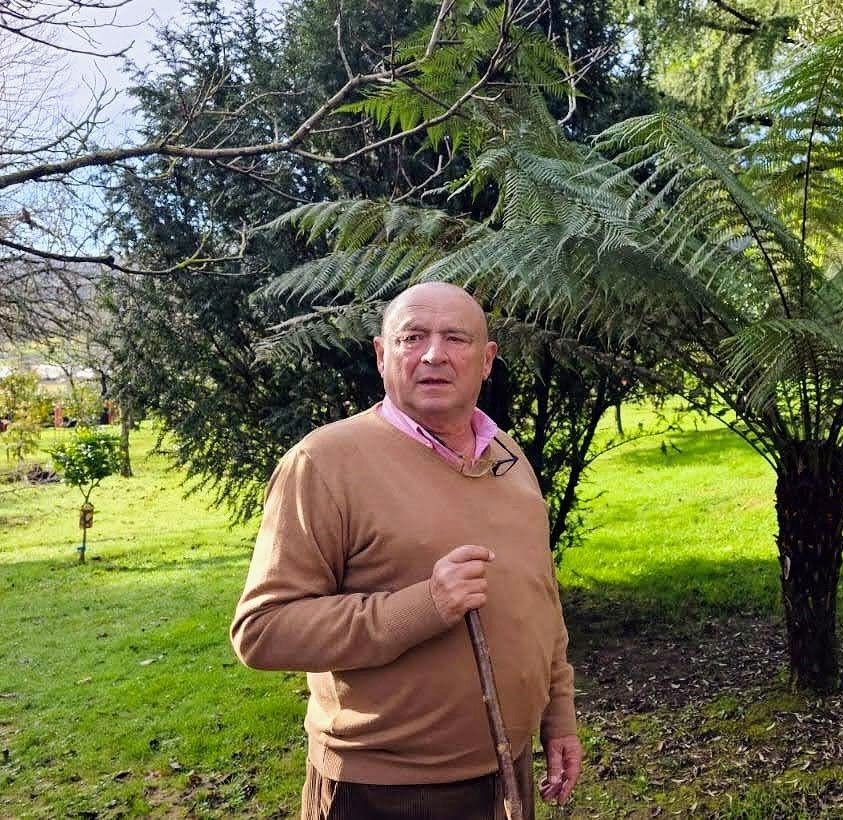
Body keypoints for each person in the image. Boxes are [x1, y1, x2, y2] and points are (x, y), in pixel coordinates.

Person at [231, 281, 581, 819]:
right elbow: (263, 630)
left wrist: (558, 714)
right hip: (384, 793)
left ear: (487, 360)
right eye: (412, 337)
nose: (434, 354)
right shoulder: (324, 463)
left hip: (507, 776)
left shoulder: (507, 456)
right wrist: (424, 606)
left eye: (456, 338)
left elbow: (542, 598)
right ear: (381, 354)